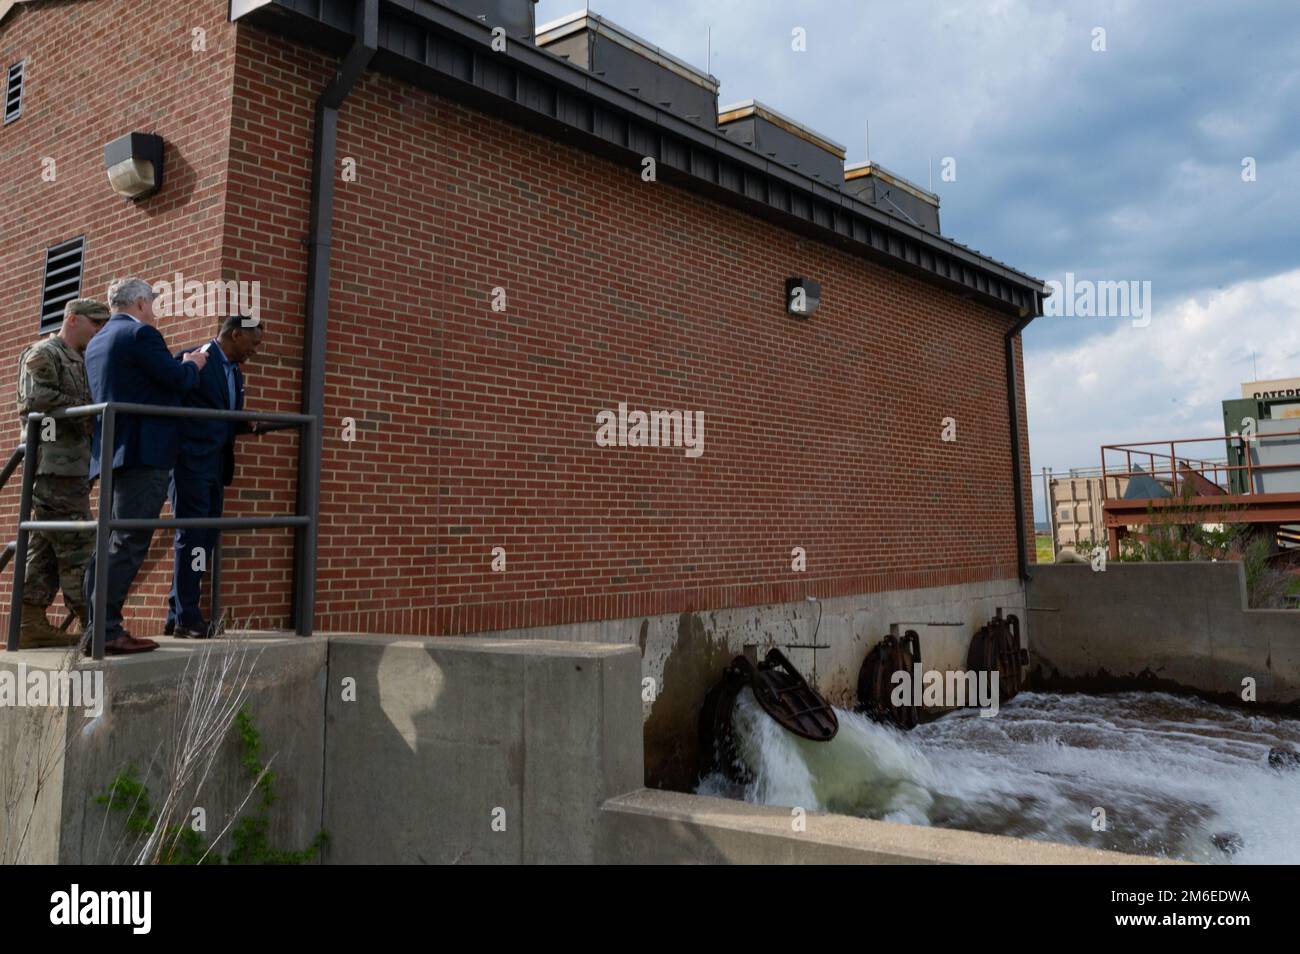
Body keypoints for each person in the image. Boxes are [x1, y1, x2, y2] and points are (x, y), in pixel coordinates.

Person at [82, 278, 207, 656]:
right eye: (152, 303)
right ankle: (105, 630)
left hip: (113, 454)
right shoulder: (141, 336)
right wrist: (192, 365)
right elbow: (175, 381)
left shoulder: (98, 340)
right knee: (129, 541)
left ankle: (98, 626)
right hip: (144, 453)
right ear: (139, 302)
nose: (153, 310)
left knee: (111, 541)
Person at [11, 300, 110, 649]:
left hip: (72, 468)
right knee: (79, 543)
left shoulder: (81, 359)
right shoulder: (43, 352)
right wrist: (86, 410)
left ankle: (28, 622)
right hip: (51, 468)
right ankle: (95, 625)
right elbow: (36, 399)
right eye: (94, 324)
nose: (99, 331)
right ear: (72, 319)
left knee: (46, 549)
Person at [167, 315, 264, 637]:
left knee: (203, 541)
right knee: (191, 539)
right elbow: (173, 404)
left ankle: (177, 613)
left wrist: (241, 422)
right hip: (189, 465)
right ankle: (187, 619)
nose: (255, 350)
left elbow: (220, 413)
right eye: (253, 343)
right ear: (235, 334)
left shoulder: (235, 373)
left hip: (216, 466)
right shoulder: (195, 360)